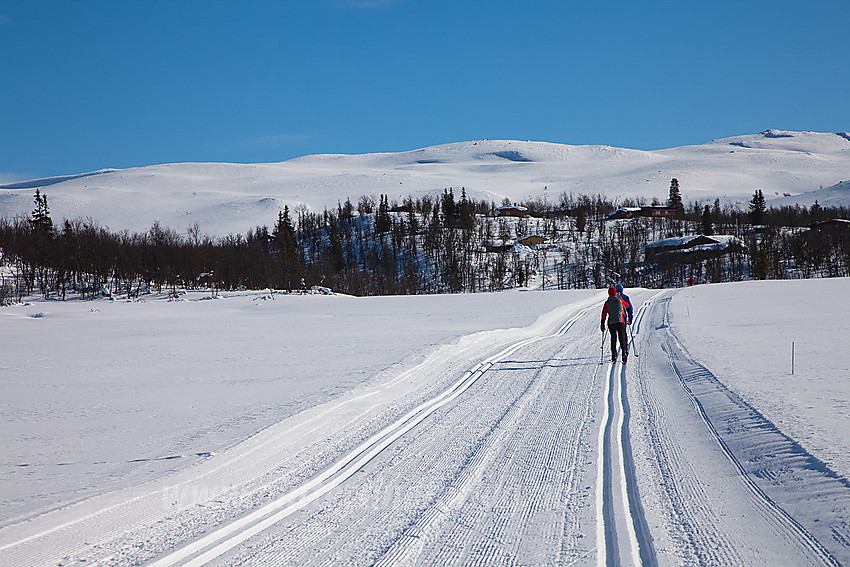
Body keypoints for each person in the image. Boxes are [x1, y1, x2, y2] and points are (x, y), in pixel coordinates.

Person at [601, 286, 630, 363]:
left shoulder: (607, 303)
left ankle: (613, 355)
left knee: (613, 338)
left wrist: (602, 323)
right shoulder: (620, 300)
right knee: (622, 338)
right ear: (615, 293)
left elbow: (604, 313)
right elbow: (627, 305)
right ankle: (624, 353)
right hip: (620, 322)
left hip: (611, 323)